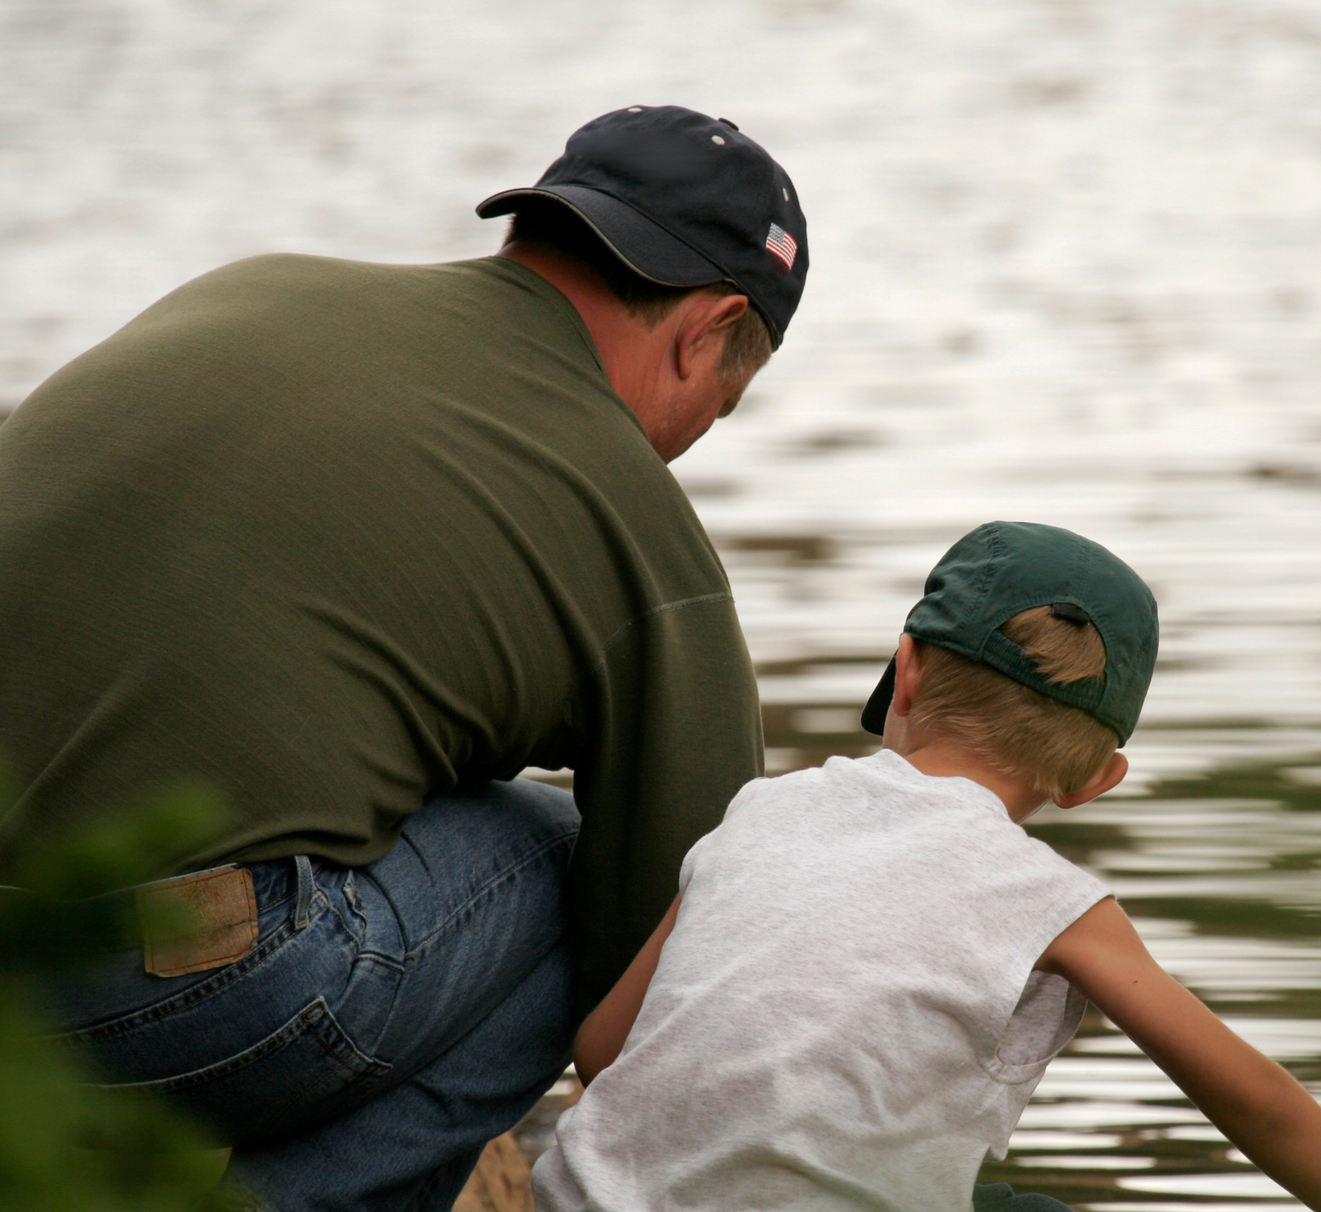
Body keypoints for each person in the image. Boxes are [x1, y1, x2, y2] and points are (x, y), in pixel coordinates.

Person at [0, 105, 807, 1210]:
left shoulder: (254, 286)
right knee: (564, 861)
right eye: (725, 400)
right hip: (136, 1001)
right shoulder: (633, 521)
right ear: (708, 333)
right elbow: (674, 983)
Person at [530, 521, 1321, 1212]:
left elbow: (606, 1050)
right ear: (1096, 782)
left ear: (903, 673)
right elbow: (1253, 1098)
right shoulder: (1055, 903)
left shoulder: (765, 808)